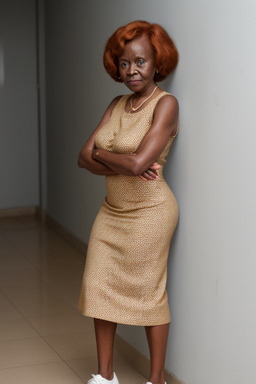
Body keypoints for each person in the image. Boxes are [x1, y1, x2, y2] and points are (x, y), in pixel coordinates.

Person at [78, 20, 179, 384]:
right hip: (112, 212)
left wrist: (102, 154)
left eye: (140, 61)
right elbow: (82, 157)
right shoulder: (117, 103)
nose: (132, 70)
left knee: (149, 294)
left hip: (150, 212)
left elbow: (138, 164)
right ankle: (105, 377)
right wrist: (114, 157)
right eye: (124, 63)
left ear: (157, 63)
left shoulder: (166, 105)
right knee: (98, 283)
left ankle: (156, 380)